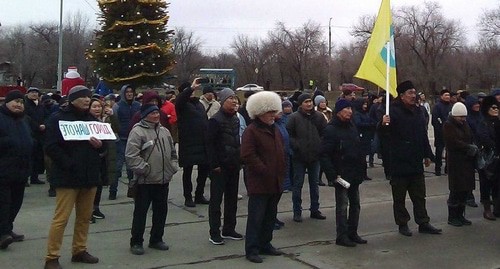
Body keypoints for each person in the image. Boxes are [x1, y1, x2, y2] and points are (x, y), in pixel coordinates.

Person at [44, 86, 104, 269]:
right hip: (67, 177)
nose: (87, 100)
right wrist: (69, 164)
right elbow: (51, 147)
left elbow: (104, 148)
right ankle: (51, 257)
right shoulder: (58, 119)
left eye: (88, 96)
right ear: (72, 99)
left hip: (89, 177)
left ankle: (79, 250)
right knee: (61, 219)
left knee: (85, 217)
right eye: (83, 97)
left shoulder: (92, 119)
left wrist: (99, 146)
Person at [379, 80, 442, 237]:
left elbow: (422, 135)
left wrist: (427, 154)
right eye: (410, 93)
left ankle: (423, 222)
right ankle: (402, 223)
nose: (414, 96)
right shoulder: (392, 111)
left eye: (415, 92)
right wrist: (382, 124)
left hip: (415, 161)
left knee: (419, 196)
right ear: (401, 96)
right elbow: (383, 135)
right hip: (399, 161)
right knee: (399, 198)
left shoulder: (419, 111)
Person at [125, 104, 178, 255]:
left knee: (161, 212)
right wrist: (145, 170)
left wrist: (172, 167)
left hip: (163, 180)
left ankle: (156, 239)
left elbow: (173, 152)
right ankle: (136, 242)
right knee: (140, 213)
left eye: (157, 113)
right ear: (145, 115)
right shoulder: (137, 132)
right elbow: (131, 156)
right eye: (152, 113)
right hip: (145, 181)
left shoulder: (164, 131)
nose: (156, 116)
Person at [241, 91, 286, 263]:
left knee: (269, 216)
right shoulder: (251, 131)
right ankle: (252, 249)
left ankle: (265, 244)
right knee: (256, 218)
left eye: (274, 111)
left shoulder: (275, 129)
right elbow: (247, 155)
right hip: (260, 182)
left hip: (275, 181)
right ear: (259, 113)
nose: (272, 115)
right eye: (269, 112)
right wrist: (264, 170)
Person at [321, 99, 367, 247]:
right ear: (339, 111)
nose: (350, 112)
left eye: (351, 109)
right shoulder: (331, 129)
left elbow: (358, 148)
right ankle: (342, 236)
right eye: (347, 109)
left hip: (355, 173)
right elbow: (324, 154)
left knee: (356, 205)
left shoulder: (352, 126)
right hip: (341, 175)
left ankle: (353, 232)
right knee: (342, 206)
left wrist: (362, 168)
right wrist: (332, 175)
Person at [205, 88, 242, 245]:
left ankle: (229, 228)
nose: (234, 101)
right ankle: (214, 232)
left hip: (234, 165)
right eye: (230, 98)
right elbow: (209, 145)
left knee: (232, 199)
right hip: (220, 168)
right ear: (222, 101)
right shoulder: (215, 120)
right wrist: (214, 165)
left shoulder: (236, 119)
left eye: (235, 98)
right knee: (216, 201)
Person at [286, 93, 327, 222]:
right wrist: (297, 146)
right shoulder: (294, 118)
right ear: (300, 104)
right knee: (297, 185)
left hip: (315, 156)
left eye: (310, 101)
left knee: (314, 184)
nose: (309, 104)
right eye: (306, 102)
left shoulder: (319, 117)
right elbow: (289, 135)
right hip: (299, 157)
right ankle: (297, 211)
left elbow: (324, 134)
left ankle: (315, 209)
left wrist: (319, 146)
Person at [0, 90, 33, 249]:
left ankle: (7, 229)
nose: (19, 105)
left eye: (21, 102)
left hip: (20, 171)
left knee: (15, 203)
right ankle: (2, 234)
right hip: (3, 170)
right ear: (7, 102)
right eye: (15, 102)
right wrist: (8, 142)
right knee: (3, 204)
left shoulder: (23, 120)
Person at [175, 80, 210, 207]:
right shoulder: (181, 104)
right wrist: (189, 88)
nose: (191, 92)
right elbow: (180, 100)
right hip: (188, 143)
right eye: (188, 91)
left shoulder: (199, 104)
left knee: (203, 171)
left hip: (202, 142)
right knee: (188, 172)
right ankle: (188, 197)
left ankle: (199, 195)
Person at [443, 102, 476, 227]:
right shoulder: (448, 125)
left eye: (464, 117)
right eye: (461, 117)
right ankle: (452, 216)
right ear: (455, 115)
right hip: (456, 162)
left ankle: (461, 215)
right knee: (456, 190)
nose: (463, 119)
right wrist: (467, 147)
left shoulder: (465, 124)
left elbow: (470, 136)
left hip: (467, 161)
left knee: (465, 190)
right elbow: (453, 142)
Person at [109, 85, 141, 200]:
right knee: (117, 167)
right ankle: (113, 191)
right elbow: (113, 121)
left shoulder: (138, 106)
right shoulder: (117, 106)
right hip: (121, 140)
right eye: (127, 92)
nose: (129, 94)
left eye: (131, 91)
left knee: (131, 168)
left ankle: (132, 190)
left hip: (135, 140)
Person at [475, 96, 500, 220]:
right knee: (486, 184)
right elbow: (484, 138)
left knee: (497, 184)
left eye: (497, 107)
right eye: (493, 107)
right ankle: (487, 210)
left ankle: (497, 208)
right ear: (487, 109)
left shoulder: (497, 121)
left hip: (497, 158)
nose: (496, 109)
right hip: (487, 159)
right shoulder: (483, 122)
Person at [24, 87, 46, 185]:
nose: (34, 94)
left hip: (40, 134)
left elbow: (45, 116)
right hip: (29, 133)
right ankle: (24, 179)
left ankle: (34, 177)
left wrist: (45, 125)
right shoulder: (25, 104)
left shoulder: (41, 105)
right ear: (27, 94)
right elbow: (26, 118)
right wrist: (37, 126)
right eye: (32, 92)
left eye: (36, 92)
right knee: (27, 157)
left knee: (37, 157)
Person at [432, 90, 452, 176]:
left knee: (449, 151)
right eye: (445, 95)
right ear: (441, 96)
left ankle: (448, 168)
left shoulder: (451, 106)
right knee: (439, 151)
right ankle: (438, 168)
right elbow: (435, 120)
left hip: (450, 132)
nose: (447, 97)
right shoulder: (437, 106)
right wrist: (440, 129)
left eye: (448, 95)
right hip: (440, 132)